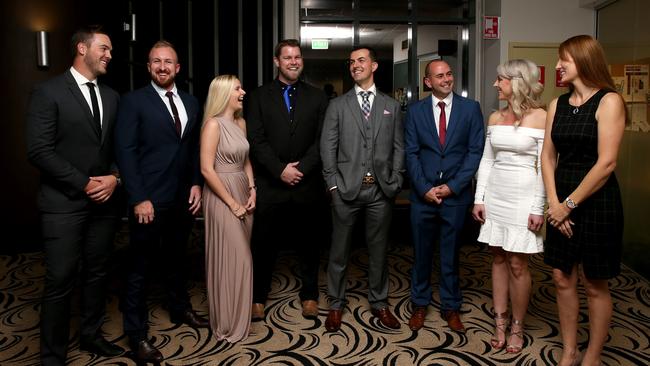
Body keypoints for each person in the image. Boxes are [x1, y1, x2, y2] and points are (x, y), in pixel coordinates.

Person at [25, 25, 123, 365]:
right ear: (82, 48)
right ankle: (52, 356)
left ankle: (92, 336)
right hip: (62, 204)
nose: (110, 55)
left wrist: (114, 176)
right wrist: (84, 183)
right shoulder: (48, 92)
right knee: (61, 279)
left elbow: (117, 147)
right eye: (105, 48)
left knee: (98, 272)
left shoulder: (112, 96)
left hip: (106, 203)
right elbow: (38, 150)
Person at [114, 40, 208, 364]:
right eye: (156, 61)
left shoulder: (191, 102)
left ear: (178, 68)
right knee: (139, 269)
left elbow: (193, 149)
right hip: (149, 201)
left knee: (177, 260)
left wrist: (197, 183)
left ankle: (180, 309)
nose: (163, 67)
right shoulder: (133, 102)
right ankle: (137, 335)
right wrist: (138, 198)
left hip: (183, 200)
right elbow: (125, 153)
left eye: (168, 61)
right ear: (149, 66)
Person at [541, 35, 625, 366]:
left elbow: (606, 163)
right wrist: (553, 202)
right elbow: (547, 157)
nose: (558, 65)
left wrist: (568, 205)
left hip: (597, 201)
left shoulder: (609, 101)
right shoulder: (556, 104)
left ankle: (592, 355)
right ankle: (570, 349)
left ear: (584, 61)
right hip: (561, 199)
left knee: (594, 283)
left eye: (565, 60)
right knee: (561, 277)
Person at [320, 46, 404, 332]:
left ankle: (380, 303)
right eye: (351, 62)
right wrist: (333, 184)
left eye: (361, 60)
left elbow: (398, 147)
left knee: (379, 251)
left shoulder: (390, 105)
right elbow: (327, 148)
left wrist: (395, 179)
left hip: (381, 191)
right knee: (339, 252)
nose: (355, 65)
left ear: (374, 66)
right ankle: (335, 304)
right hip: (345, 190)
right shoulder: (337, 106)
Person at [246, 39, 329, 320]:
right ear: (276, 61)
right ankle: (258, 297)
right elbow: (256, 141)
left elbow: (322, 141)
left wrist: (301, 168)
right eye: (287, 57)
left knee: (309, 244)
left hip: (307, 184)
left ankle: (310, 295)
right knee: (263, 244)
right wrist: (280, 169)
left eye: (298, 57)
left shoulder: (318, 97)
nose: (293, 61)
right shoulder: (257, 97)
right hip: (271, 184)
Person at [471, 59, 546, 353]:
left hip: (525, 197)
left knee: (518, 262)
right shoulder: (494, 117)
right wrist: (480, 198)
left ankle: (518, 324)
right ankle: (499, 321)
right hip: (497, 195)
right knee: (498, 257)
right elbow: (487, 161)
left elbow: (544, 165)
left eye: (500, 79)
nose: (495, 84)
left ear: (516, 82)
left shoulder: (542, 117)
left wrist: (539, 206)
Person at [405, 59, 484, 334]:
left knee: (451, 255)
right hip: (422, 195)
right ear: (428, 82)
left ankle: (451, 306)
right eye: (439, 76)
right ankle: (419, 304)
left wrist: (453, 186)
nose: (446, 79)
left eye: (449, 73)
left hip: (455, 196)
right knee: (422, 253)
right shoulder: (414, 111)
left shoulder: (470, 109)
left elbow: (475, 152)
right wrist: (424, 187)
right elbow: (411, 152)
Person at [200, 75, 255, 342]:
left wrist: (252, 189)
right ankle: (227, 322)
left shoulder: (241, 123)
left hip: (243, 192)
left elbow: (245, 161)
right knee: (236, 259)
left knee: (239, 260)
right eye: (237, 88)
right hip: (222, 196)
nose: (243, 92)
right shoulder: (213, 125)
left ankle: (238, 316)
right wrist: (232, 203)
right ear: (223, 93)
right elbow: (206, 170)